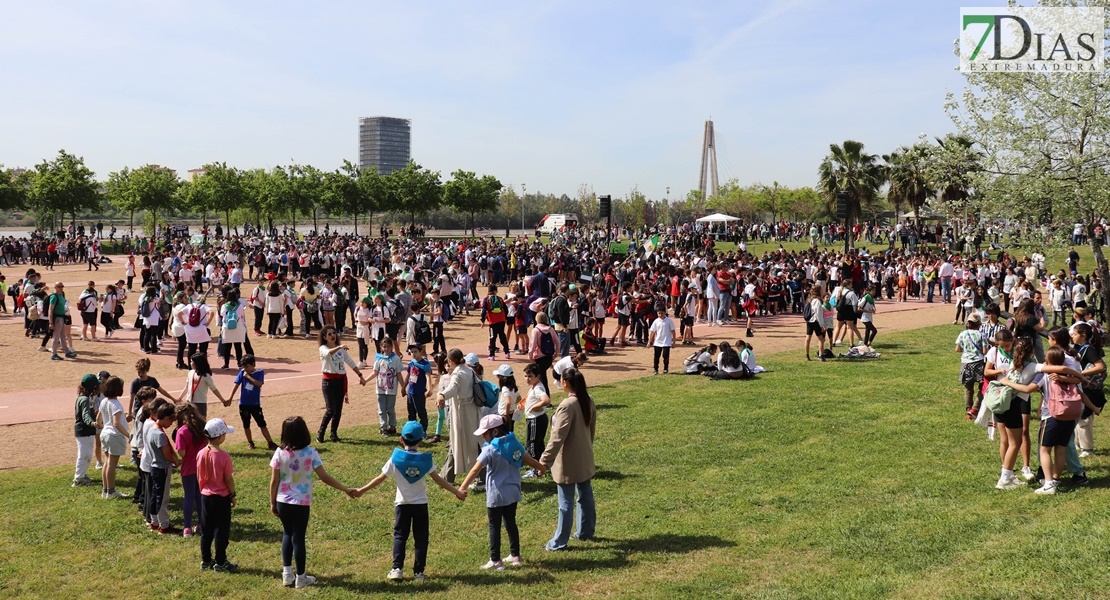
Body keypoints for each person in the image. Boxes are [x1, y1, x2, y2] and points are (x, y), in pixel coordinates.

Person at [356, 421, 466, 582]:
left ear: (401, 439)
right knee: (421, 538)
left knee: (400, 535)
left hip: (402, 504)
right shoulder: (425, 461)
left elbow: (380, 479)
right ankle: (419, 573)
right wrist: (456, 491)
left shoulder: (396, 459)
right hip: (421, 504)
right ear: (421, 441)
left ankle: (397, 569)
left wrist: (361, 490)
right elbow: (439, 480)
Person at [270, 416, 360, 589]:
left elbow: (274, 481)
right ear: (304, 433)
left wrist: (272, 502)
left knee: (287, 534)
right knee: (298, 538)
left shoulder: (279, 453)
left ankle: (287, 574)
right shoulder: (311, 453)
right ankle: (301, 578)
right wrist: (345, 488)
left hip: (283, 501)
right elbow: (324, 477)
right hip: (301, 503)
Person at [460, 415, 546, 570]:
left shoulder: (490, 449)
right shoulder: (515, 445)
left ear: (494, 431)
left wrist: (463, 487)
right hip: (513, 492)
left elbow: (475, 469)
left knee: (494, 526)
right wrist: (542, 468)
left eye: (484, 433)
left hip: (496, 495)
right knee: (510, 523)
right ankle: (515, 555)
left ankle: (495, 560)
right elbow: (530, 460)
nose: (483, 437)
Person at [539, 367, 596, 551]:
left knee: (565, 502)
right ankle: (585, 531)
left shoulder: (567, 405)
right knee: (585, 495)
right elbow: (591, 430)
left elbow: (557, 437)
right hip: (584, 456)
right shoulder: (588, 400)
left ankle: (559, 542)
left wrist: (544, 462)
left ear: (565, 382)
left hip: (568, 461)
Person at [1034, 346, 1101, 495]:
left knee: (1044, 450)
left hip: (1051, 416)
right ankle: (1056, 480)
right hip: (1070, 416)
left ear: (1047, 360)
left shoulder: (1045, 375)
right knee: (1061, 450)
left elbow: (1030, 388)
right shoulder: (1072, 378)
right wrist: (1094, 408)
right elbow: (1081, 395)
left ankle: (1049, 483)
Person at [436, 348, 483, 485]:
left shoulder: (458, 373)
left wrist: (442, 395)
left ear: (450, 361)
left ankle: (479, 478)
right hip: (471, 411)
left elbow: (453, 388)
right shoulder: (468, 370)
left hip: (462, 414)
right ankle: (447, 476)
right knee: (470, 444)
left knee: (461, 444)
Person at [198, 417, 238, 571]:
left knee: (206, 530)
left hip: (206, 497)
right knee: (221, 530)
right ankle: (221, 562)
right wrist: (232, 494)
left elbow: (199, 476)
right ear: (220, 436)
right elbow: (228, 478)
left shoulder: (201, 453)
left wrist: (203, 490)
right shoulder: (224, 456)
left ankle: (206, 560)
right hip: (221, 498)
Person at [317, 325, 368, 443]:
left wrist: (360, 375)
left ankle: (333, 434)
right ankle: (321, 432)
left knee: (338, 410)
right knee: (331, 409)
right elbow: (328, 353)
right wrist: (340, 347)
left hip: (340, 381)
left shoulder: (340, 350)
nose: (332, 335)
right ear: (324, 337)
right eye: (329, 334)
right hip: (328, 382)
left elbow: (350, 362)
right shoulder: (323, 348)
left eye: (333, 333)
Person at [228, 355, 277, 450]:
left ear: (253, 364)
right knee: (246, 425)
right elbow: (236, 384)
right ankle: (250, 442)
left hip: (255, 404)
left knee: (262, 424)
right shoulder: (242, 372)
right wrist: (230, 398)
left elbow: (259, 384)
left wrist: (248, 377)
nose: (245, 369)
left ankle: (270, 442)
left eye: (247, 366)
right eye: (243, 367)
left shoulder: (259, 372)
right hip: (244, 404)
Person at [145, 403, 181, 535]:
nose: (171, 423)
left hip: (154, 467)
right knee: (163, 498)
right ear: (166, 418)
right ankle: (164, 525)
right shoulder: (159, 434)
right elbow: (166, 453)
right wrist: (175, 460)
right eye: (171, 420)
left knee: (155, 496)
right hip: (162, 468)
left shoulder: (152, 429)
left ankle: (154, 522)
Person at [174, 403, 207, 538]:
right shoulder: (202, 427)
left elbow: (181, 453)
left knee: (188, 496)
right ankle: (201, 524)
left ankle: (187, 527)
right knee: (200, 496)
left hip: (188, 468)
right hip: (202, 467)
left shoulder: (182, 431)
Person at [95, 375, 129, 499]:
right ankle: (111, 491)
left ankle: (105, 490)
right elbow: (116, 423)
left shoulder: (104, 401)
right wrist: (128, 435)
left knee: (107, 462)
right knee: (111, 464)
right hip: (114, 436)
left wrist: (99, 425)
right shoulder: (116, 404)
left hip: (104, 433)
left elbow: (99, 417)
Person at [178, 353, 229, 420]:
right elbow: (187, 387)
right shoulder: (190, 372)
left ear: (197, 363)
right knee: (189, 422)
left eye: (192, 361)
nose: (190, 363)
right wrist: (180, 398)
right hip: (189, 402)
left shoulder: (206, 376)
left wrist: (222, 400)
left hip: (200, 403)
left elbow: (213, 389)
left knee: (200, 423)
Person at [369, 337, 403, 437]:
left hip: (391, 389)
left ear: (392, 347)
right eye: (384, 346)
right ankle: (383, 427)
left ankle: (392, 427)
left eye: (388, 346)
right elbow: (375, 372)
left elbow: (399, 374)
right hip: (380, 388)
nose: (386, 348)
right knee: (381, 409)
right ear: (381, 347)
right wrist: (365, 380)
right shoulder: (378, 359)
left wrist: (403, 386)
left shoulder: (395, 358)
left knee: (390, 409)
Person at [955, 317, 986, 419]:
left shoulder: (962, 334)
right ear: (979, 324)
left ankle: (968, 409)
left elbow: (957, 349)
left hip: (966, 363)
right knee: (982, 387)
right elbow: (985, 351)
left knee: (968, 389)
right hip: (979, 363)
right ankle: (975, 408)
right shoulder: (981, 335)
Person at [72, 374, 100, 487]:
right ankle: (78, 478)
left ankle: (82, 475)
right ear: (92, 387)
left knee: (86, 454)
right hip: (84, 431)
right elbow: (85, 415)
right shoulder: (85, 400)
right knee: (84, 455)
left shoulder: (83, 398)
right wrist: (92, 423)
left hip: (85, 431)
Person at [528, 312, 560, 396]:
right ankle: (540, 397)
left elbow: (533, 344)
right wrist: (555, 354)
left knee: (542, 379)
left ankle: (546, 399)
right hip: (548, 357)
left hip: (539, 358)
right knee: (541, 378)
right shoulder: (550, 329)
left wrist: (530, 355)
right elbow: (557, 342)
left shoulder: (536, 330)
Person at [403, 343, 432, 432]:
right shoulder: (411, 363)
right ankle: (412, 430)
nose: (413, 354)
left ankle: (423, 431)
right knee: (411, 413)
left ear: (420, 351)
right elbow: (408, 376)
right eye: (411, 352)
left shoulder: (425, 364)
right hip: (410, 392)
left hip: (419, 393)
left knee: (421, 412)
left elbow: (428, 377)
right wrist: (403, 387)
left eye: (415, 351)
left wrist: (429, 389)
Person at [647, 306, 676, 375]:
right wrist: (649, 341)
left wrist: (674, 341)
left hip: (666, 342)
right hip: (658, 342)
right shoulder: (656, 321)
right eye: (658, 313)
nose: (660, 315)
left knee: (665, 356)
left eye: (661, 313)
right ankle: (655, 369)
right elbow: (652, 331)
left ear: (664, 313)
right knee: (656, 356)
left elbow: (673, 331)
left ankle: (666, 368)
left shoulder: (669, 321)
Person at [804, 287, 826, 362]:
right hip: (815, 321)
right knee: (821, 339)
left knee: (808, 338)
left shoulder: (809, 299)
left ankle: (807, 355)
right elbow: (819, 313)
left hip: (809, 320)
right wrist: (822, 325)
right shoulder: (817, 301)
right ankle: (821, 355)